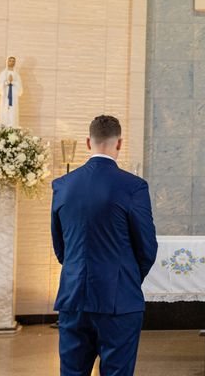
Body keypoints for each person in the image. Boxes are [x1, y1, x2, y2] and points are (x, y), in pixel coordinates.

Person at [51, 115, 158, 376]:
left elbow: (60, 245)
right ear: (119, 143)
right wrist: (127, 276)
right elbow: (147, 247)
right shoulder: (133, 186)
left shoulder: (62, 185)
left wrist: (78, 270)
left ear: (88, 141)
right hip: (119, 298)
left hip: (73, 296)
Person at [0, 56, 23, 127]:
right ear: (7, 62)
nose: (12, 62)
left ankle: (13, 129)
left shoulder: (17, 75)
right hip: (5, 97)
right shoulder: (3, 74)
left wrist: (13, 82)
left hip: (13, 98)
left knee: (13, 113)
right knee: (5, 112)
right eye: (10, 61)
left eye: (13, 61)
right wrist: (7, 82)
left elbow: (20, 89)